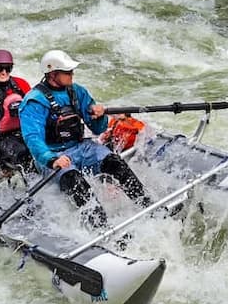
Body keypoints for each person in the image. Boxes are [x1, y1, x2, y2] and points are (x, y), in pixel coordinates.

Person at [18, 50, 152, 228]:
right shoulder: (34, 102)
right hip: (52, 155)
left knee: (115, 162)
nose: (72, 74)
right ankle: (101, 228)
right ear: (52, 74)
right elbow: (33, 138)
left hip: (81, 147)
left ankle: (148, 206)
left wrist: (99, 116)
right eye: (67, 72)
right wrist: (52, 159)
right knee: (75, 181)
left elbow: (98, 129)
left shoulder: (77, 92)